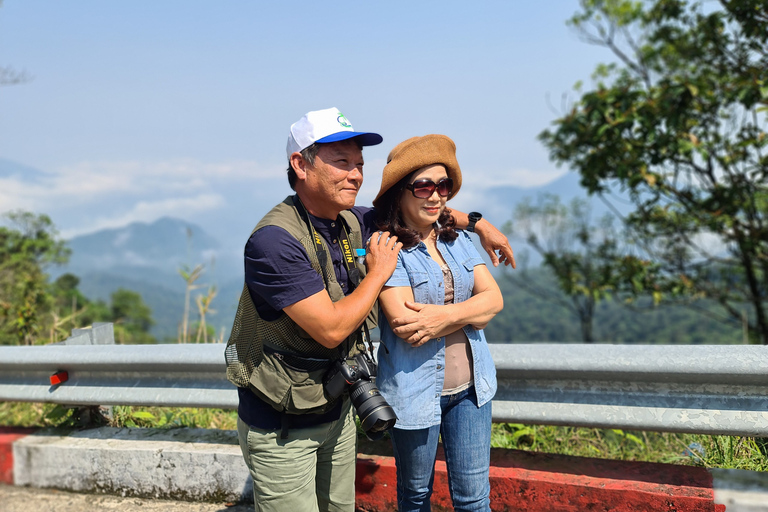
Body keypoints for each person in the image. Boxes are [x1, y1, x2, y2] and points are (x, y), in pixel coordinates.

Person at [225, 108, 514, 512]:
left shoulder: (352, 220)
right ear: (300, 165)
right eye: (341, 162)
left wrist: (479, 224)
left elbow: (423, 208)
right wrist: (378, 273)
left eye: (359, 164)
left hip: (338, 408)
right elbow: (330, 330)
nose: (355, 175)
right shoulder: (274, 241)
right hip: (282, 423)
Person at [372, 134, 504, 512]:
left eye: (443, 185)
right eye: (423, 186)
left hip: (472, 389)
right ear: (401, 192)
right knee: (415, 498)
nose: (435, 196)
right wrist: (469, 313)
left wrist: (442, 316)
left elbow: (494, 300)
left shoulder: (457, 239)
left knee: (474, 499)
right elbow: (405, 324)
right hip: (413, 393)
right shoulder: (388, 247)